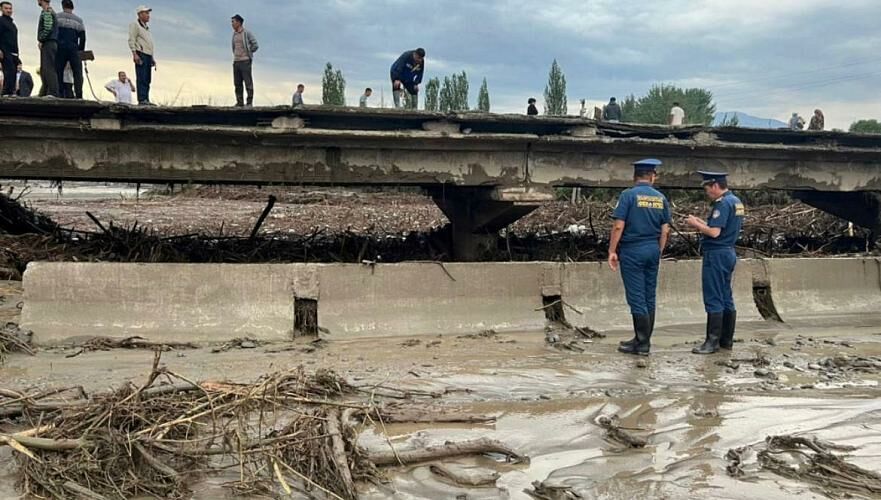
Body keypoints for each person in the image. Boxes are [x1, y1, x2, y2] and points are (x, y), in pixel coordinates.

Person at [608, 159, 672, 356]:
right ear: (652, 176)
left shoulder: (628, 195)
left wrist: (612, 250)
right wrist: (658, 250)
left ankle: (642, 344)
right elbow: (665, 229)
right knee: (649, 296)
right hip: (652, 249)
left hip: (633, 250)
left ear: (634, 176)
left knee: (636, 297)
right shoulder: (661, 198)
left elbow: (619, 225)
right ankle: (641, 338)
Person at [685, 171, 746, 355]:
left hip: (717, 254)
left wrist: (695, 225)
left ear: (715, 185)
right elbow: (720, 228)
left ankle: (711, 343)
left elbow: (714, 233)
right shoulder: (736, 201)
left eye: (707, 188)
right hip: (729, 252)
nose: (707, 193)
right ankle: (726, 340)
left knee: (713, 297)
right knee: (726, 296)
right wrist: (701, 222)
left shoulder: (722, 203)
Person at [55, 0, 84, 99]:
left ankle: (59, 93)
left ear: (63, 6)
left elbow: (54, 32)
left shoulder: (57, 17)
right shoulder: (79, 20)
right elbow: (83, 36)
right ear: (73, 7)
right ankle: (79, 94)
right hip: (73, 48)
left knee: (58, 70)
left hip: (60, 47)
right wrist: (80, 50)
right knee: (77, 72)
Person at [128, 5, 155, 105]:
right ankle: (142, 99)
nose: (148, 15)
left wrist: (152, 57)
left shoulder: (146, 28)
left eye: (148, 13)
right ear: (140, 14)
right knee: (142, 77)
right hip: (141, 53)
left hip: (148, 54)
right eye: (146, 13)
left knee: (147, 79)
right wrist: (134, 53)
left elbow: (148, 43)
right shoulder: (135, 25)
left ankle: (146, 98)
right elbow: (132, 39)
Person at [230, 14, 258, 107]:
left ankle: (249, 103)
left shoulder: (246, 33)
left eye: (233, 22)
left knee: (248, 83)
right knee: (237, 83)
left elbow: (255, 45)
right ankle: (239, 102)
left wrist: (248, 53)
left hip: (245, 61)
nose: (232, 24)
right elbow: (234, 47)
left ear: (239, 22)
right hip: (236, 61)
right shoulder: (234, 34)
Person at [36, 0, 59, 97]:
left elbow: (48, 27)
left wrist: (41, 39)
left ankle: (52, 92)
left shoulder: (47, 12)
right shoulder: (50, 11)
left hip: (48, 42)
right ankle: (45, 92)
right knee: (44, 69)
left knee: (48, 68)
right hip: (51, 42)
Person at [0, 1, 19, 97]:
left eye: (10, 8)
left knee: (13, 72)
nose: (8, 10)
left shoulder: (12, 24)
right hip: (5, 51)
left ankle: (11, 92)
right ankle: (6, 93)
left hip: (14, 52)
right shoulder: (1, 21)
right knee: (8, 71)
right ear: (1, 9)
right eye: (6, 8)